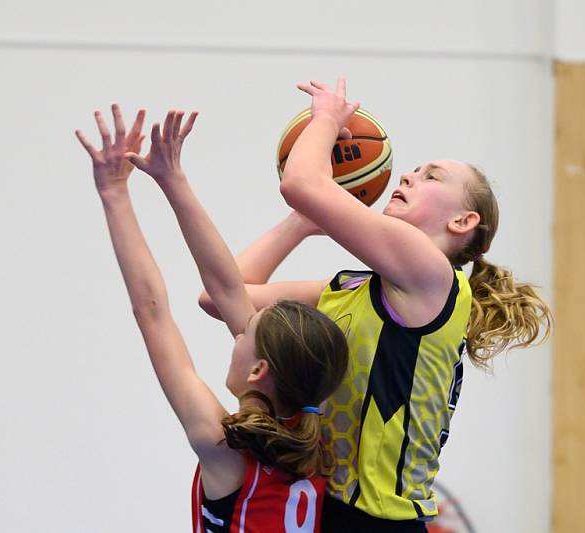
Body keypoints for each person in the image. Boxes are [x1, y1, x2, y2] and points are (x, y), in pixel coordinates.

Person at [199, 79, 553, 532]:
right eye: (415, 169)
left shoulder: (431, 275)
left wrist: (327, 117)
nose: (407, 175)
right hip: (328, 508)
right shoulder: (352, 289)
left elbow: (300, 181)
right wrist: (300, 223)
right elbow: (222, 295)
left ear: (462, 221)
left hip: (379, 520)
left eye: (431, 176)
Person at [75, 104, 349, 533]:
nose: (235, 335)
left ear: (260, 369)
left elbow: (153, 311)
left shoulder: (223, 445)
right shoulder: (325, 442)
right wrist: (172, 181)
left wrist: (115, 192)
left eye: (242, 335)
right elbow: (224, 289)